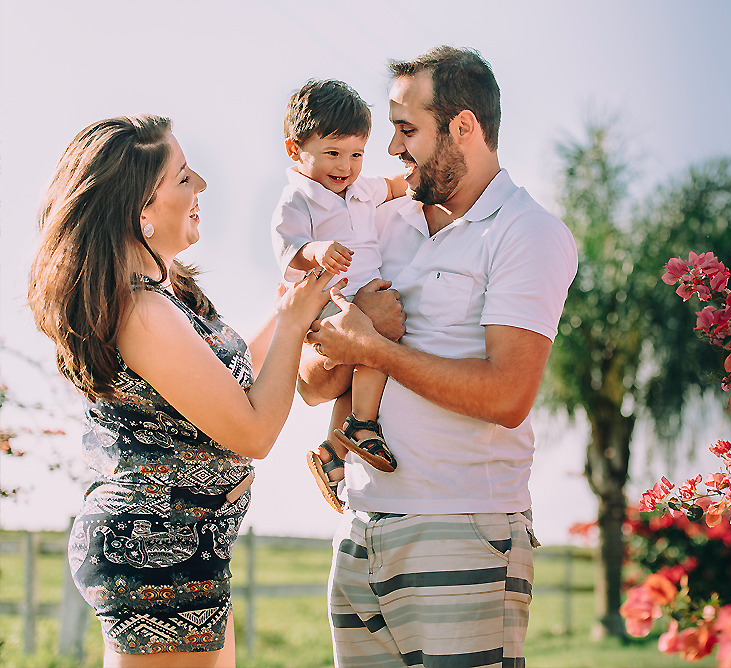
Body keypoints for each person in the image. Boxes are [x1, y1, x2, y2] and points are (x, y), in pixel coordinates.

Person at [298, 46, 579, 668]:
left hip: (463, 527)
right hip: (361, 528)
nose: (391, 147)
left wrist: (371, 347)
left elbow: (507, 396)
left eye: (407, 129)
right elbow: (313, 385)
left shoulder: (527, 233)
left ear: (463, 127)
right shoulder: (377, 223)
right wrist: (350, 338)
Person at [26, 115, 336, 667]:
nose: (203, 186)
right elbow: (253, 431)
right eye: (185, 177)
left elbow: (235, 379)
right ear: (142, 210)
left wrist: (295, 302)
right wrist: (293, 323)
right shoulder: (141, 311)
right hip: (157, 551)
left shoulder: (164, 294)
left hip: (186, 545)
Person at [271, 79, 407, 512]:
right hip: (330, 301)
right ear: (295, 150)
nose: (345, 166)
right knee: (374, 348)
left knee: (370, 357)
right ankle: (362, 425)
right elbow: (289, 250)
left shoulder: (362, 189)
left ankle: (333, 451)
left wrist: (419, 178)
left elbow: (395, 186)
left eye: (356, 154)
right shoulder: (298, 198)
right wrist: (317, 251)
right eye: (332, 153)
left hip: (364, 294)